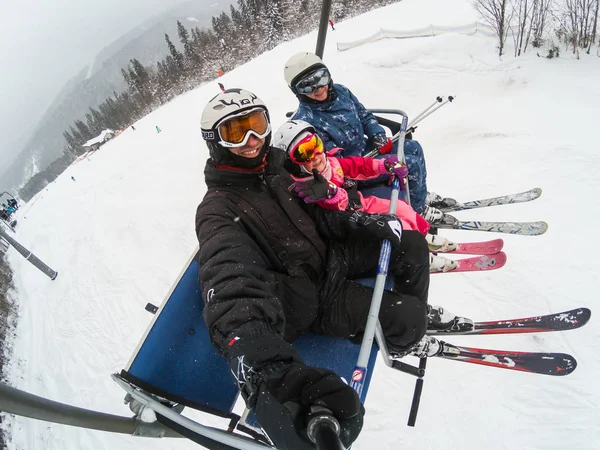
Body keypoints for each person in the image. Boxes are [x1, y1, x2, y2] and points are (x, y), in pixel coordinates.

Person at [196, 88, 471, 449]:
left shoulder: (277, 163)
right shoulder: (217, 210)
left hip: (332, 252)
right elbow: (231, 285)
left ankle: (398, 315)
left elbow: (321, 207)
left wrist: (360, 220)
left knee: (411, 242)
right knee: (409, 319)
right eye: (236, 132)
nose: (252, 141)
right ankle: (403, 331)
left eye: (257, 125)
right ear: (215, 142)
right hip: (312, 294)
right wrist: (268, 374)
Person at [283, 52, 457, 223]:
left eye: (321, 78)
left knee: (414, 147)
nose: (318, 88)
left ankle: (418, 193)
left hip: (366, 148)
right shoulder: (307, 122)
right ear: (297, 92)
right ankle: (419, 210)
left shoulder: (341, 92)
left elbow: (364, 115)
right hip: (353, 170)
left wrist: (377, 135)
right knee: (409, 163)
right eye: (307, 86)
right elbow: (331, 163)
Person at [273, 120, 458, 273]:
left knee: (402, 208)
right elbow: (329, 217)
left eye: (315, 144)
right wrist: (332, 194)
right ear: (292, 163)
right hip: (353, 223)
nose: (315, 155)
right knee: (396, 225)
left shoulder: (332, 162)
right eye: (304, 152)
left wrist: (383, 165)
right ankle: (419, 256)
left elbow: (357, 166)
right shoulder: (307, 189)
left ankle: (423, 237)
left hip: (361, 203)